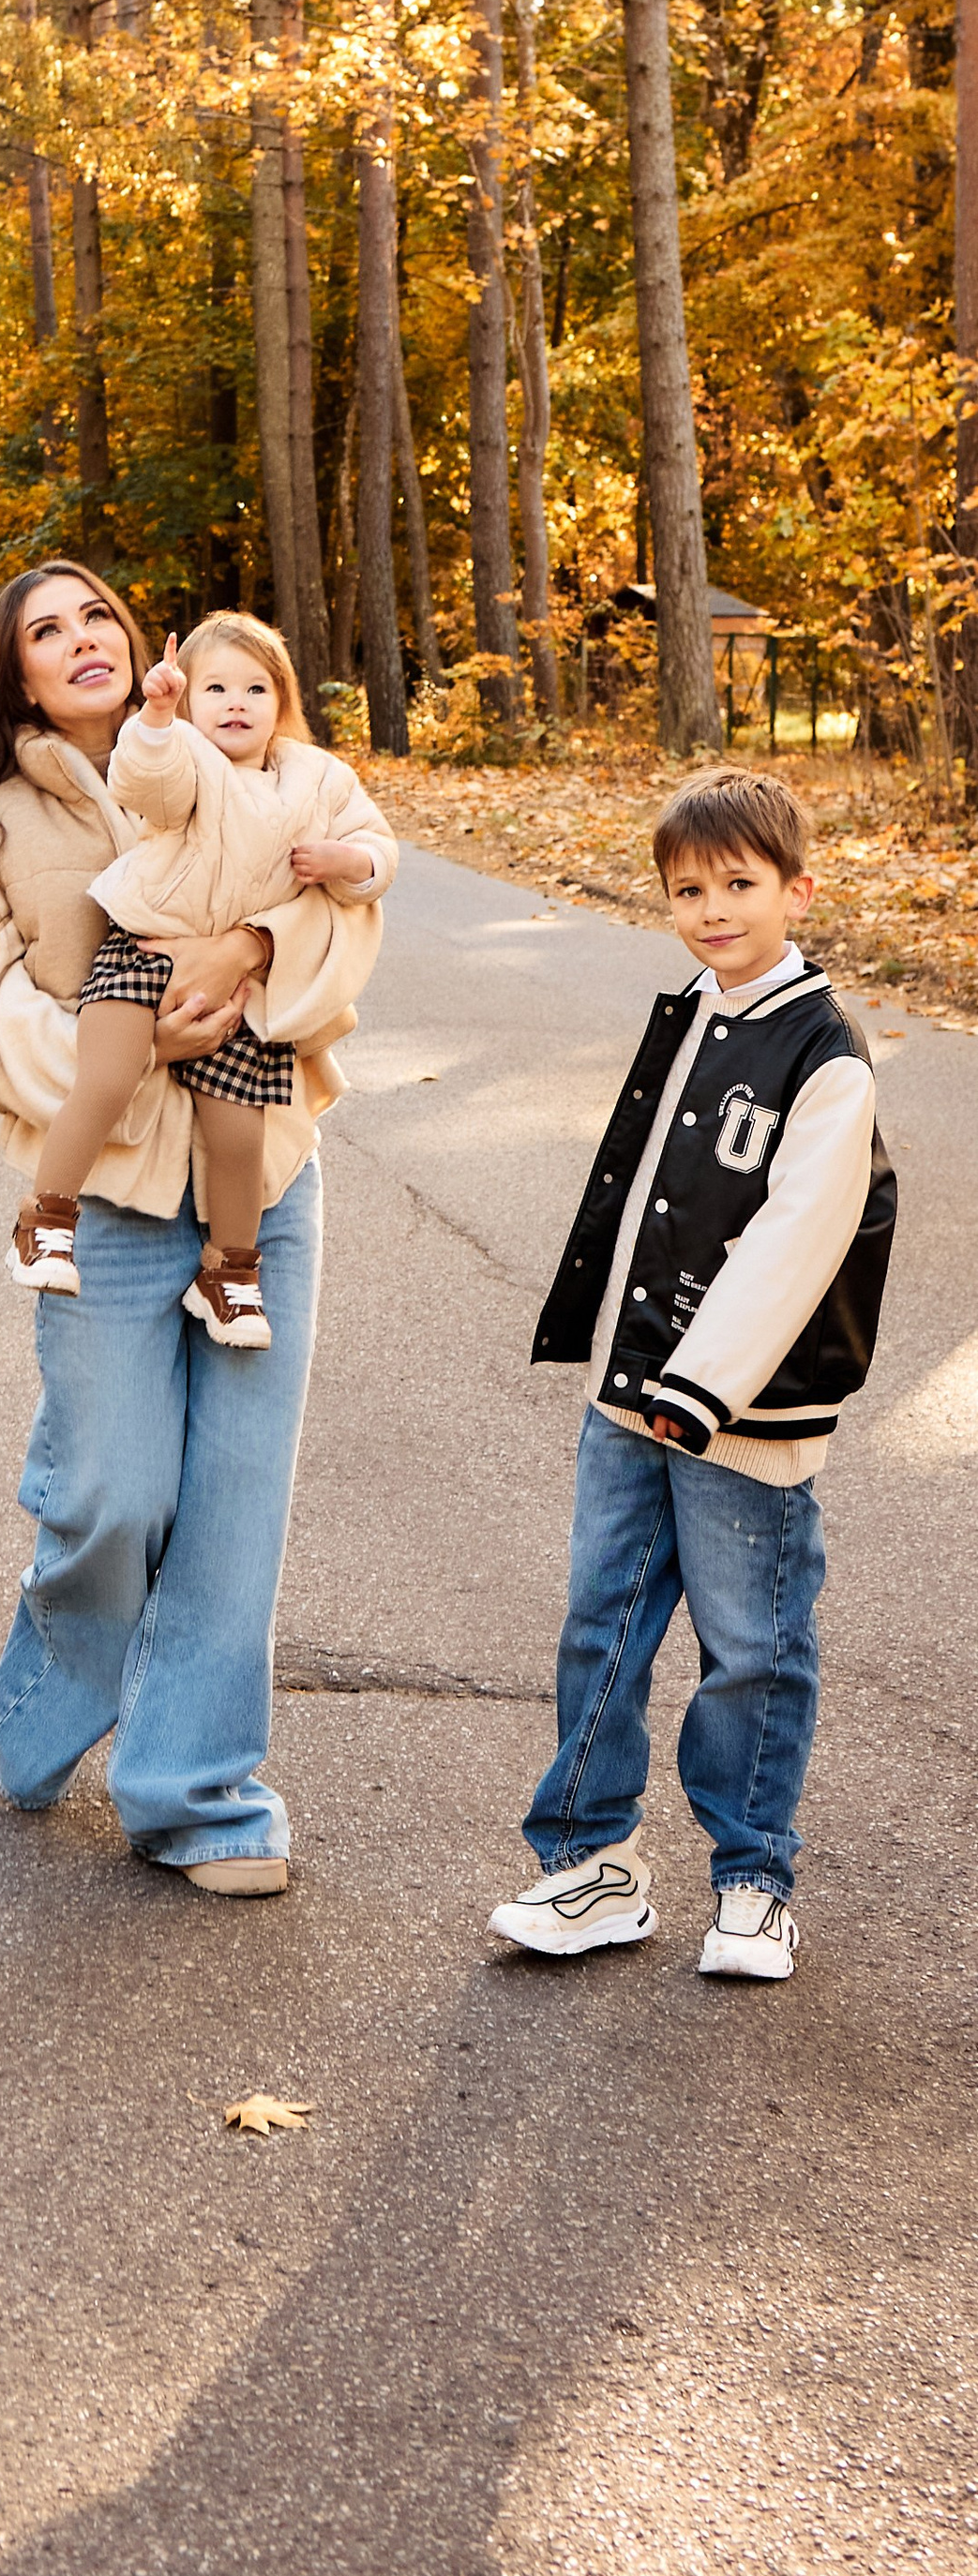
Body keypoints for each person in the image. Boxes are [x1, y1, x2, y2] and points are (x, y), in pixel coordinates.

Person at [0, 564, 385, 1891]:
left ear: (138, 640)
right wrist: (112, 1056)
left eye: (96, 618)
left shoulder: (268, 761)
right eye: (44, 632)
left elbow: (350, 916)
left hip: (262, 1180)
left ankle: (199, 1792)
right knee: (117, 1491)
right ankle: (60, 1670)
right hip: (110, 1196)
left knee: (235, 1501)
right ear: (16, 673)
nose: (78, 642)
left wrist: (253, 950)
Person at [489, 769, 895, 1984]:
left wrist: (703, 1385)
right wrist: (619, 1354)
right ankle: (591, 1866)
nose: (713, 908)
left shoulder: (825, 1054)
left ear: (796, 888)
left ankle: (754, 1877)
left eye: (739, 884)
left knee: (753, 1648)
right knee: (600, 1628)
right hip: (631, 1393)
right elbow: (635, 1203)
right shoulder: (690, 1011)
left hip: (743, 1417)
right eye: (688, 889)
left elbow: (797, 1236)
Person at [11, 610, 394, 1344]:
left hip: (241, 992)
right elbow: (144, 783)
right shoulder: (187, 757)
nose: (236, 703)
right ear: (192, 703)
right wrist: (155, 716)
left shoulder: (318, 778)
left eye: (256, 688)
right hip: (142, 949)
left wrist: (350, 864)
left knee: (240, 1133)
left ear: (283, 701)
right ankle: (47, 1218)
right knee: (109, 1073)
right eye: (215, 688)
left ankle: (230, 1271)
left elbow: (375, 848)